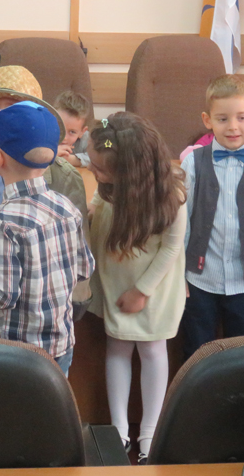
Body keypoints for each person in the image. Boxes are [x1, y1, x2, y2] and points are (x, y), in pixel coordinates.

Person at [0, 101, 94, 375]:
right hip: (61, 347)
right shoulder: (67, 208)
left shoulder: (1, 220)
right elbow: (84, 268)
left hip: (15, 355)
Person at [86, 112, 187, 463]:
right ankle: (118, 431)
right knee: (117, 346)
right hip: (115, 279)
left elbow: (171, 248)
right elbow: (98, 200)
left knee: (152, 350)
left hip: (152, 288)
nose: (94, 172)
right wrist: (93, 206)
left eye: (101, 169)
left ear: (131, 173)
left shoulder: (170, 196)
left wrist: (141, 291)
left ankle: (149, 433)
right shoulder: (109, 186)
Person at [0, 67, 88, 326]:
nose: (3, 119)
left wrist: (74, 300)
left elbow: (80, 257)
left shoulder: (66, 178)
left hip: (46, 311)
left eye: (12, 109)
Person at [180, 75, 244, 359]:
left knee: (240, 355)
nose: (233, 127)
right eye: (223, 119)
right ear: (207, 120)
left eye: (241, 117)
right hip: (199, 279)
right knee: (196, 352)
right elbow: (182, 223)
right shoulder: (193, 163)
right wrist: (179, 275)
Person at [54, 89, 91, 168]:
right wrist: (51, 154)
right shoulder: (44, 135)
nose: (64, 137)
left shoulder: (86, 139)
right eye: (59, 127)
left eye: (72, 132)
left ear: (82, 132)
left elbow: (100, 158)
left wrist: (70, 159)